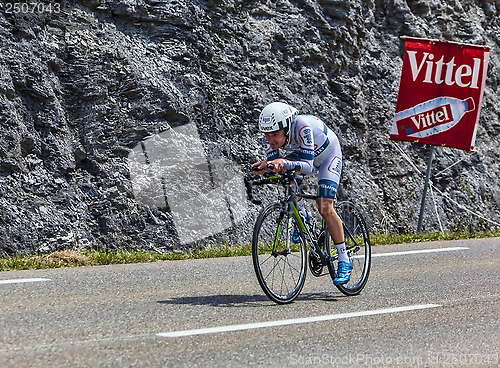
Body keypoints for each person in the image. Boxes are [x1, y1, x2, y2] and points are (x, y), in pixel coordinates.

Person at [251, 102, 352, 285]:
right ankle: (302, 217)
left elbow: (308, 166)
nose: (271, 139)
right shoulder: (272, 140)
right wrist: (266, 168)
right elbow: (277, 167)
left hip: (328, 155)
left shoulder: (302, 126)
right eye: (267, 135)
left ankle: (345, 259)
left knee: (324, 205)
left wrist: (283, 162)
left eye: (275, 134)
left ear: (287, 128)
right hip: (303, 156)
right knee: (285, 179)